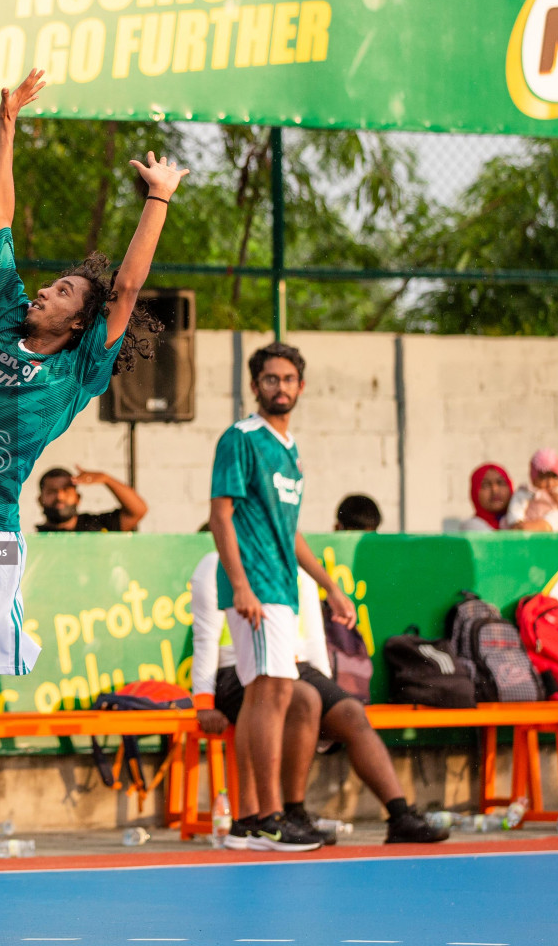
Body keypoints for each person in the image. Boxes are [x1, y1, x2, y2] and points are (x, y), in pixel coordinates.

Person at [0, 69, 186, 918]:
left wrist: (157, 200)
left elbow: (125, 290)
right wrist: (7, 122)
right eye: (49, 283)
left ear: (75, 324)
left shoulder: (75, 371)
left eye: (62, 291)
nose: (47, 288)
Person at [190, 495, 447, 847]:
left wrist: (332, 696)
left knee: (349, 711)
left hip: (296, 668)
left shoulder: (299, 571)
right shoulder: (215, 566)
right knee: (305, 697)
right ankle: (288, 812)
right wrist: (204, 701)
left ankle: (400, 815)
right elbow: (205, 640)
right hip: (237, 670)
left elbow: (313, 640)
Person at [206, 343, 358, 851]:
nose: (280, 387)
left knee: (264, 695)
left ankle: (251, 820)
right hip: (257, 590)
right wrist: (242, 584)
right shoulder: (241, 438)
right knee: (271, 694)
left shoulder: (290, 452)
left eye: (289, 378)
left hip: (283, 589)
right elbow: (220, 515)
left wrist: (331, 586)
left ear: (301, 386)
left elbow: (290, 534)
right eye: (270, 378)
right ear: (255, 386)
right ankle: (269, 817)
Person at [36, 466, 149, 531]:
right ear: (40, 500)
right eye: (52, 491)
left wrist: (106, 479)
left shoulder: (98, 525)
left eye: (66, 490)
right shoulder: (30, 541)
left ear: (78, 498)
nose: (60, 496)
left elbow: (138, 511)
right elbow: (17, 566)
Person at [506, 448, 558, 532]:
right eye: (543, 478)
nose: (550, 483)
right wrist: (517, 521)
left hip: (550, 530)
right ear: (533, 479)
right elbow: (516, 507)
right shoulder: (527, 492)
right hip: (529, 526)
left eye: (554, 477)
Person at [460, 463, 513, 531]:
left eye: (500, 483)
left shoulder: (523, 522)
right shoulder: (471, 527)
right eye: (486, 485)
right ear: (475, 492)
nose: (495, 490)